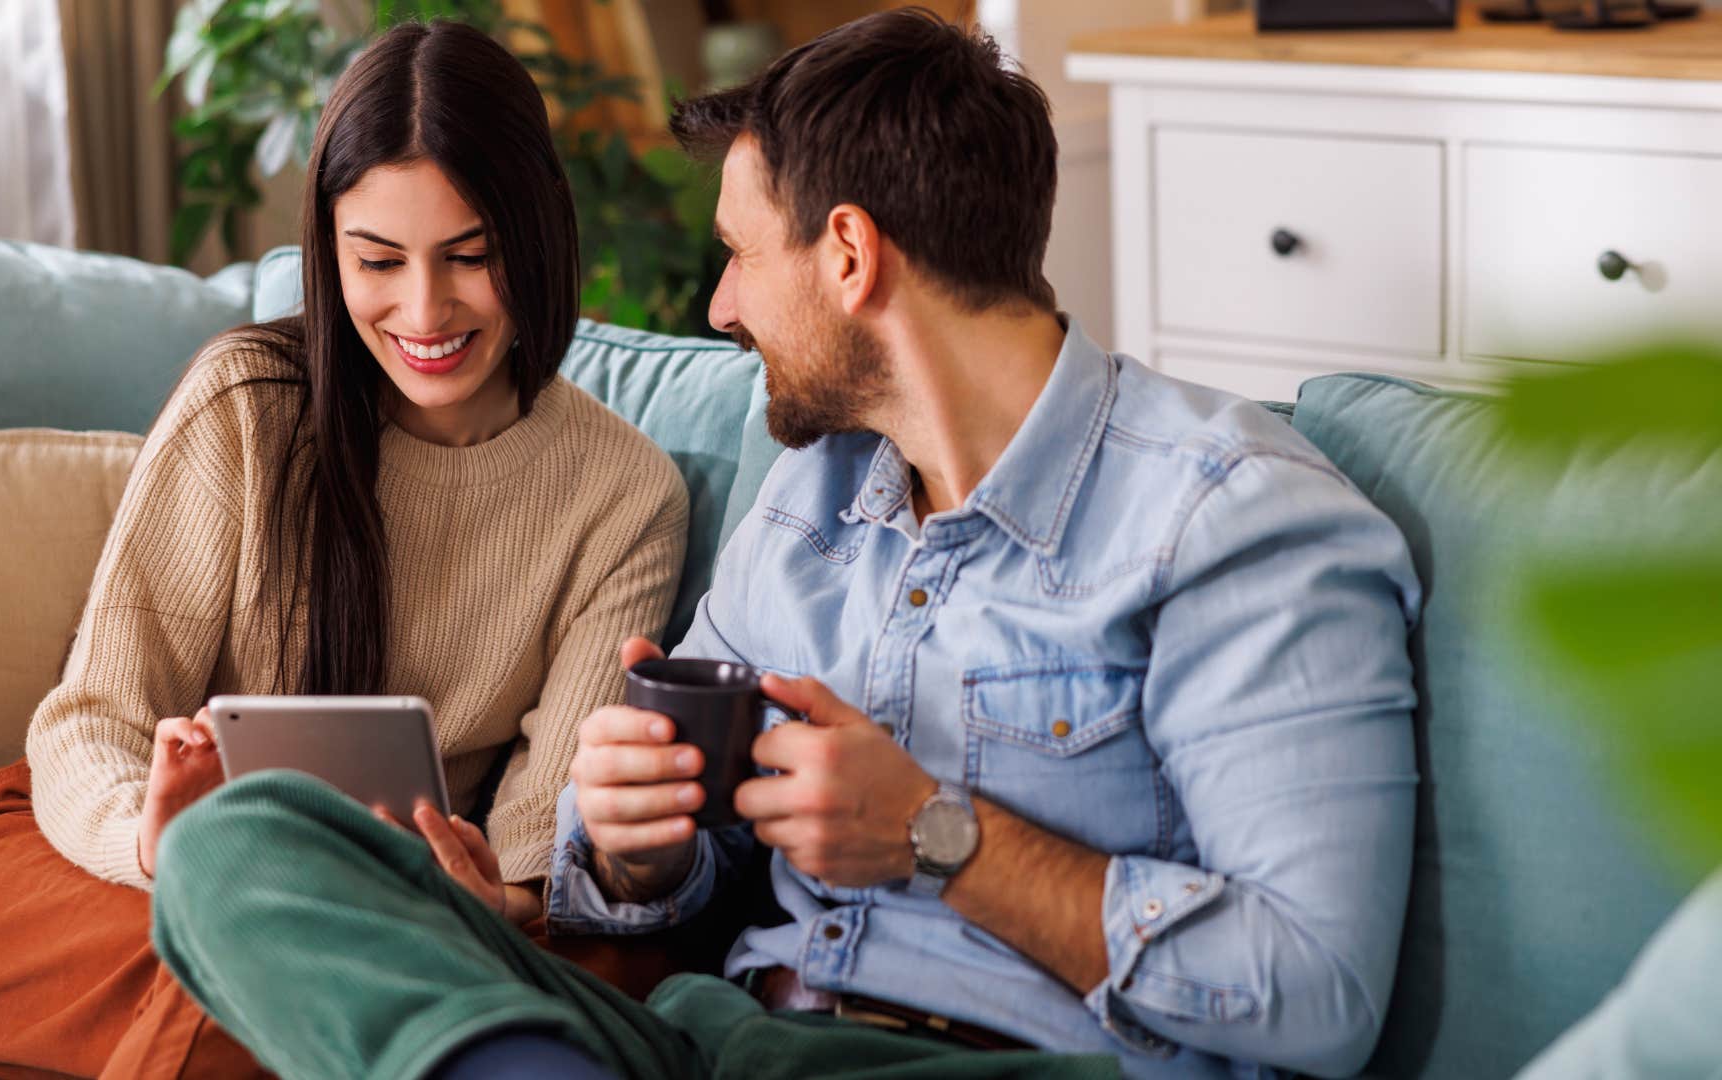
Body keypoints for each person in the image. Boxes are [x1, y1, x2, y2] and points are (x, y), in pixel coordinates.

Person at [147, 9, 1422, 1079]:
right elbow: (642, 867)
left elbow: (1315, 992)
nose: (717, 306)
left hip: (1002, 1059)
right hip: (722, 1040)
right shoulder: (815, 501)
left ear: (851, 254)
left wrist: (940, 834)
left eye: (741, 256)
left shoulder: (1233, 523)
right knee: (234, 843)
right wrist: (639, 844)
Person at [0, 20, 689, 1079]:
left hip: (403, 912)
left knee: (540, 969)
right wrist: (159, 843)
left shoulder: (622, 493)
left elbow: (552, 852)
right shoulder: (247, 403)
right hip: (128, 872)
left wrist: (484, 888)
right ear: (329, 248)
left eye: (470, 256)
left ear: (535, 233)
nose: (423, 309)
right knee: (168, 945)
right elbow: (92, 723)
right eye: (377, 261)